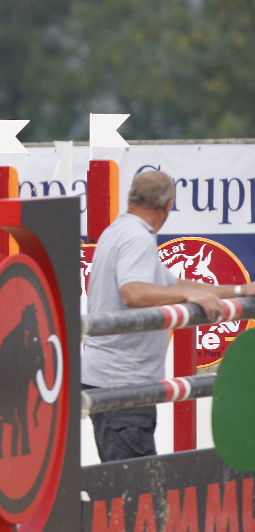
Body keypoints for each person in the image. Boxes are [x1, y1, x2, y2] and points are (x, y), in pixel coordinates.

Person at [81, 170, 255, 462]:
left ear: (130, 197)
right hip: (124, 382)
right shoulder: (137, 238)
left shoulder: (118, 231)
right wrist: (188, 297)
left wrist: (239, 289)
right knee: (135, 492)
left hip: (110, 377)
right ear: (168, 205)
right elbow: (134, 293)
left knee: (125, 485)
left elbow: (172, 284)